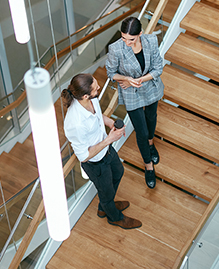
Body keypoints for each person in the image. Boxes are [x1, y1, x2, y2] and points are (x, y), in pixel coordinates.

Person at [62, 73, 142, 230]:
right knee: (105, 193)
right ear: (85, 95)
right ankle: (114, 217)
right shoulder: (75, 123)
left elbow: (99, 116)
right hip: (95, 163)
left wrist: (111, 122)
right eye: (95, 87)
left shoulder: (91, 100)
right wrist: (109, 140)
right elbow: (83, 156)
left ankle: (105, 205)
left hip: (107, 151)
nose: (99, 87)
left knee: (118, 172)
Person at [105, 16, 164, 189]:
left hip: (150, 86)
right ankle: (148, 165)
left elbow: (158, 68)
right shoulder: (116, 48)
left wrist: (139, 79)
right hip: (131, 92)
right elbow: (110, 72)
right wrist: (126, 79)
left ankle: (151, 144)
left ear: (140, 34)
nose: (127, 42)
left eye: (131, 39)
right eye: (123, 38)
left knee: (151, 117)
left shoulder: (151, 41)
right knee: (141, 130)